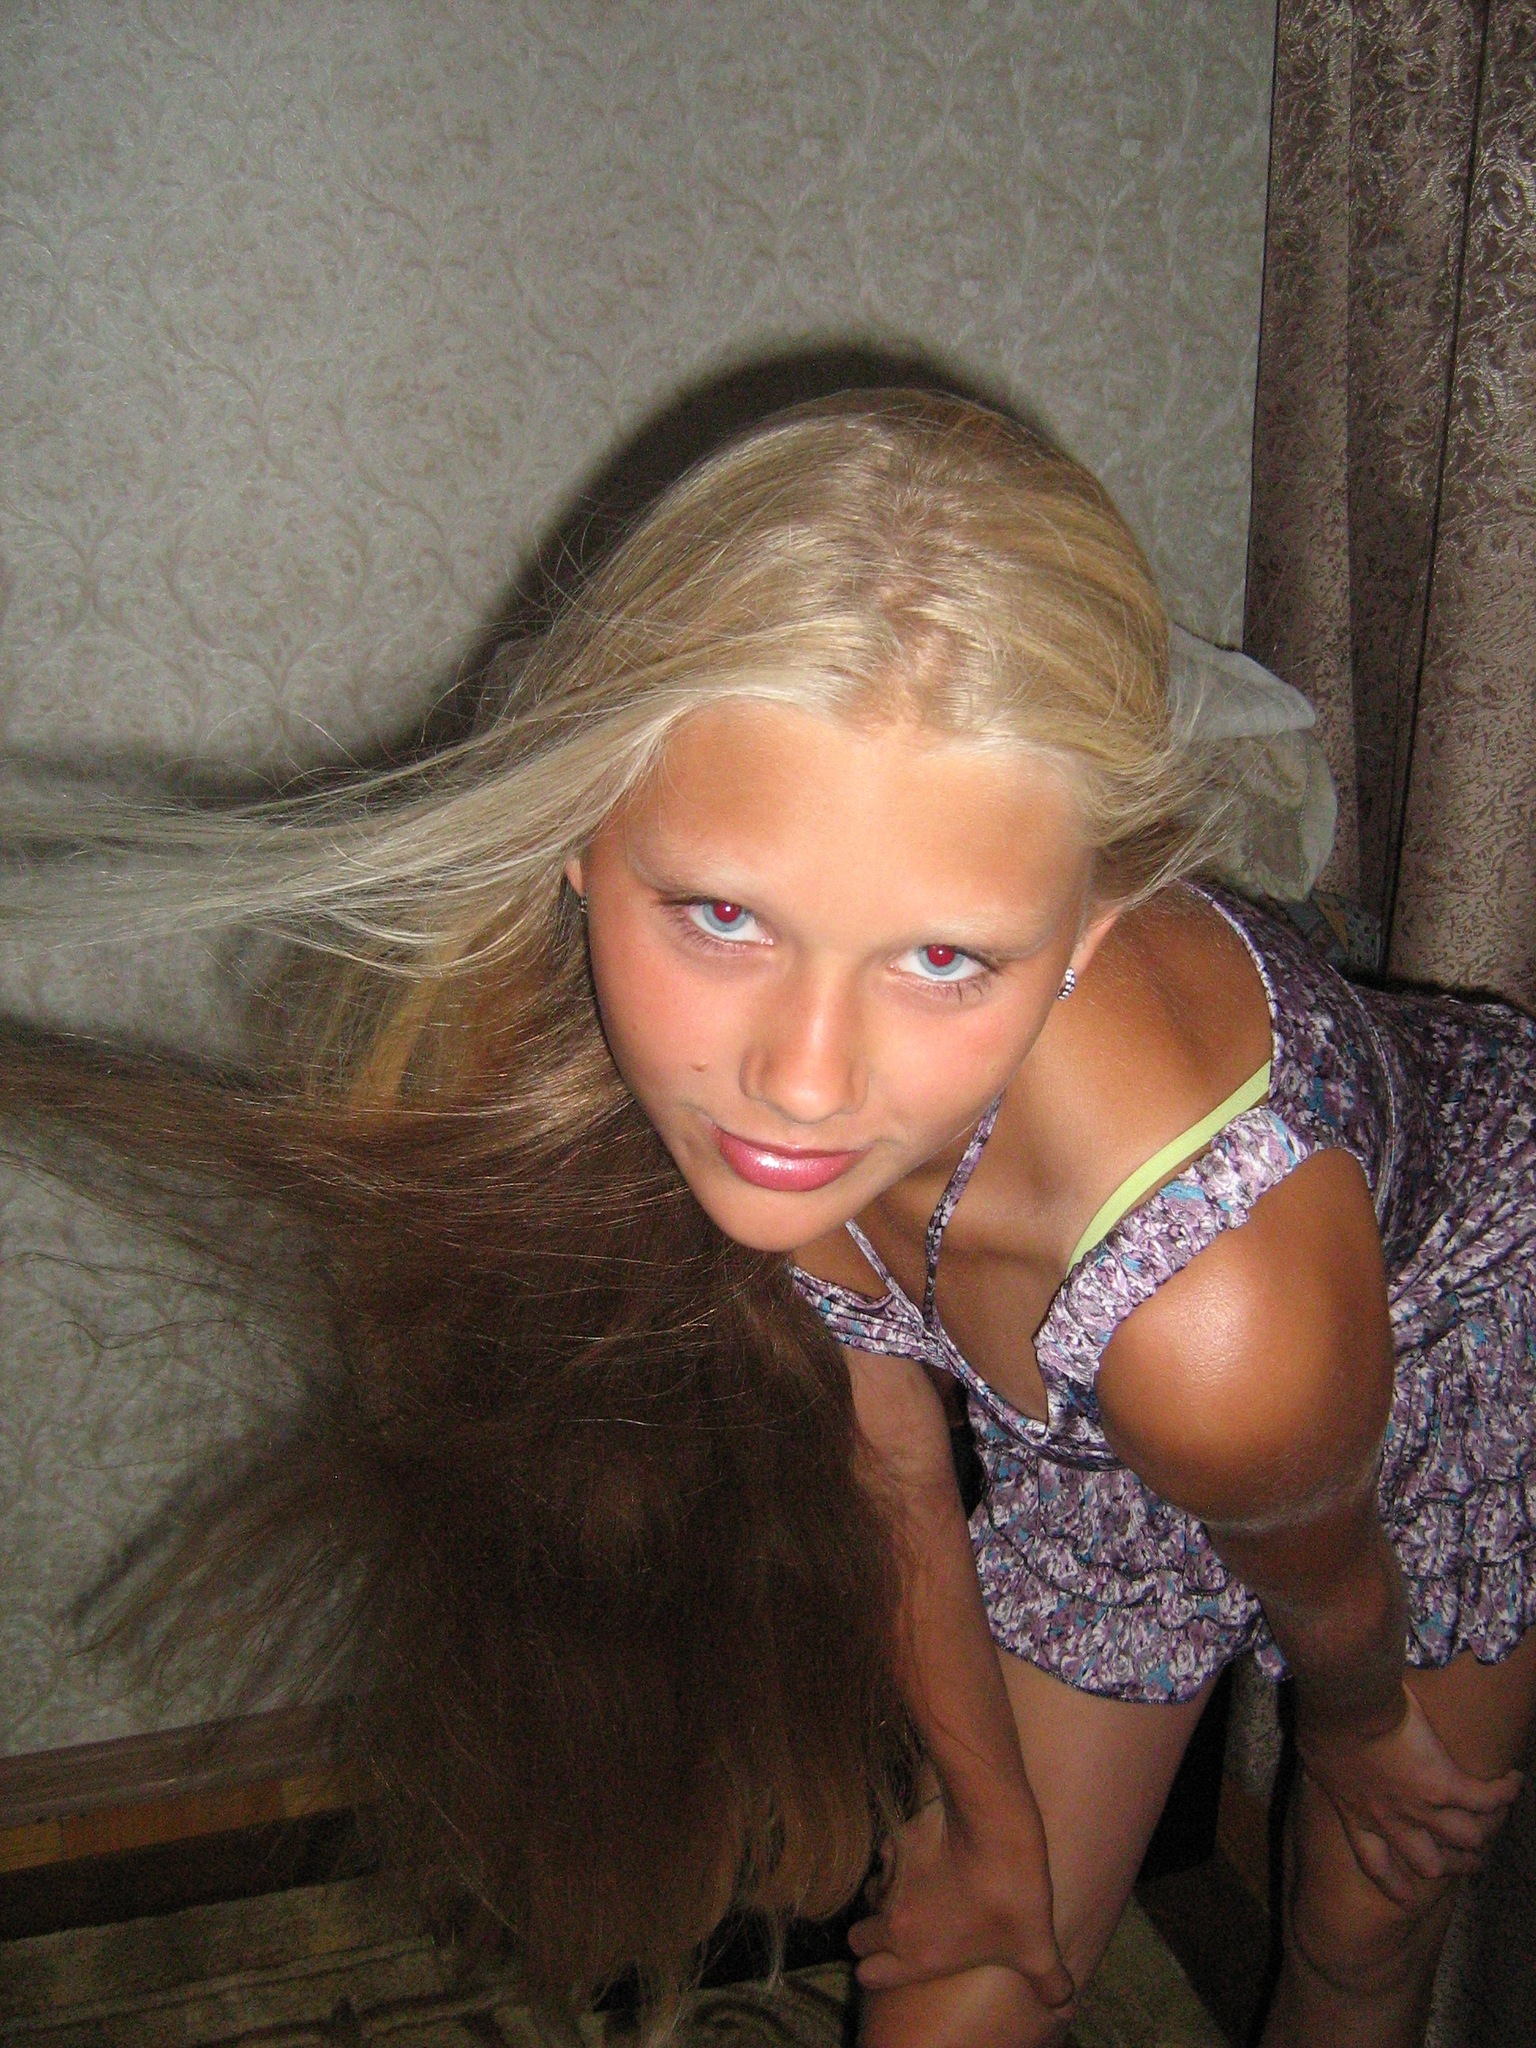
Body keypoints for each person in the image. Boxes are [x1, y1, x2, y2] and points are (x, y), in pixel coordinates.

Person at [3, 391, 1532, 2048]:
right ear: (581, 839)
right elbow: (889, 1446)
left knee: (1360, 1921)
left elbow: (1326, 1580)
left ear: (1093, 928)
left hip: (1435, 1334)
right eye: (724, 915)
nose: (801, 1082)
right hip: (1121, 1409)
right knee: (961, 1988)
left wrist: (1363, 1735)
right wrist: (994, 1835)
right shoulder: (742, 1106)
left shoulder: (1220, 1312)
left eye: (943, 957)